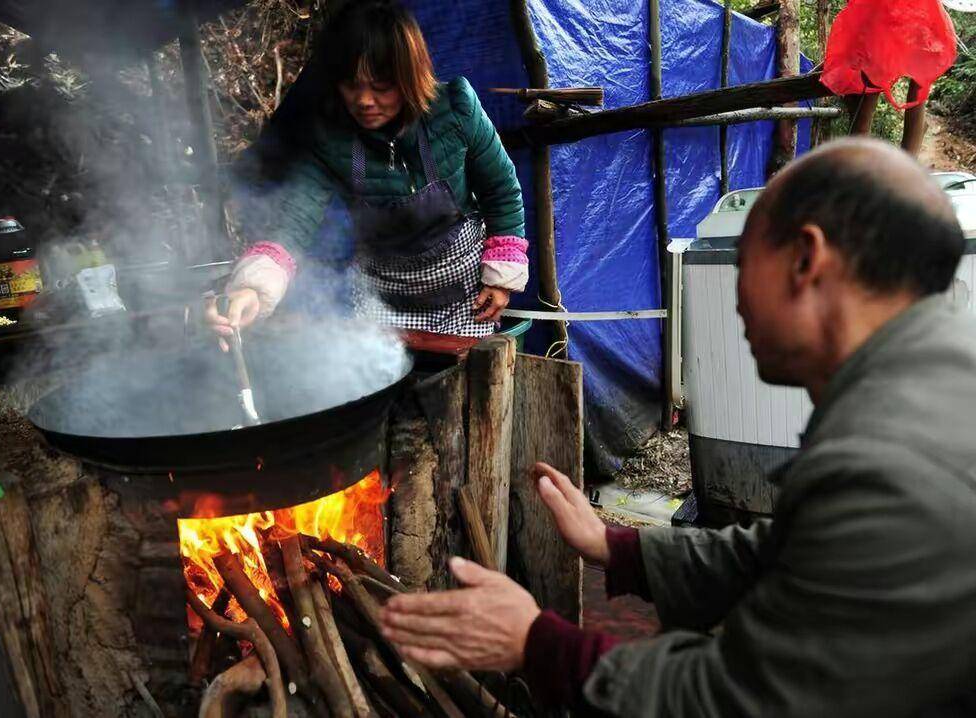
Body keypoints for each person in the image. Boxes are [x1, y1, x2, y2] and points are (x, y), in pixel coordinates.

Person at [379, 138, 976, 716]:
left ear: (805, 260)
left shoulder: (898, 461)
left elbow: (740, 700)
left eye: (744, 265)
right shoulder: (928, 382)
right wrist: (617, 549)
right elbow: (783, 552)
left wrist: (537, 644)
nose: (736, 301)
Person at [206, 0, 527, 345]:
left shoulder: (456, 110)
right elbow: (294, 221)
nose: (364, 101)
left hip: (462, 296)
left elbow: (501, 189)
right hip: (379, 296)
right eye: (351, 85)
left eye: (380, 86)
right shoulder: (329, 137)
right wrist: (253, 289)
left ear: (409, 76)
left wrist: (499, 278)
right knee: (383, 382)